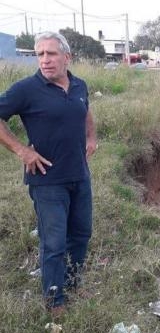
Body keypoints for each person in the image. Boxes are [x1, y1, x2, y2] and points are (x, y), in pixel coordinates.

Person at [0, 31, 97, 317]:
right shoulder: (26, 89)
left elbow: (85, 111)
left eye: (51, 53)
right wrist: (22, 151)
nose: (44, 60)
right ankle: (55, 301)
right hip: (47, 181)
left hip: (80, 174)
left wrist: (91, 137)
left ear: (67, 57)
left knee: (81, 234)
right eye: (39, 54)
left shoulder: (79, 84)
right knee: (53, 242)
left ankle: (73, 283)